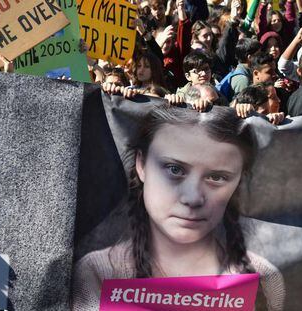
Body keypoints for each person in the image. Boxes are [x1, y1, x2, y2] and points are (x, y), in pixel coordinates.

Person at [72, 104, 285, 310]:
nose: (193, 198)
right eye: (175, 169)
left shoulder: (262, 276)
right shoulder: (97, 272)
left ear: (237, 182)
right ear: (141, 165)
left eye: (217, 177)